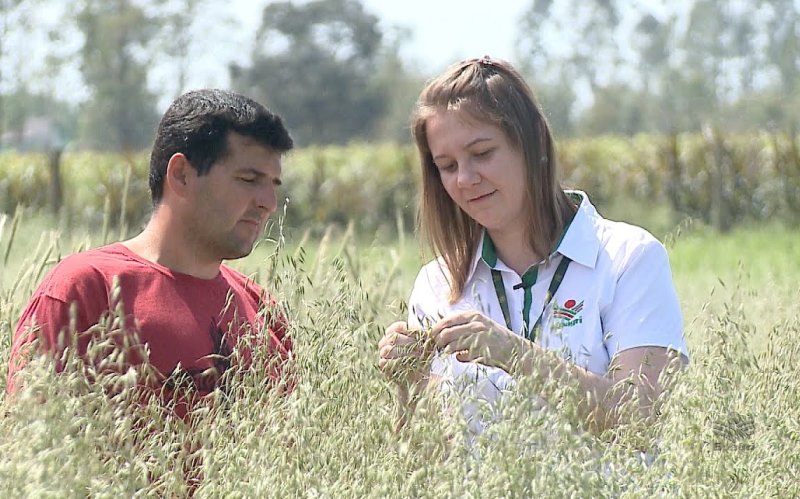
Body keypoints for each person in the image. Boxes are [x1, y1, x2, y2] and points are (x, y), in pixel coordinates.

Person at [378, 57, 688, 437]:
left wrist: (513, 354)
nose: (466, 179)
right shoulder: (436, 283)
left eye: (482, 153)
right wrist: (407, 384)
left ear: (534, 143)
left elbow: (642, 420)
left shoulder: (630, 258)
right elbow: (420, 462)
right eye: (446, 165)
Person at [6, 89, 295, 418]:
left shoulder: (263, 310)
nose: (268, 203)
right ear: (181, 175)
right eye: (248, 179)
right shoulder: (86, 291)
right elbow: (29, 441)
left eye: (274, 184)